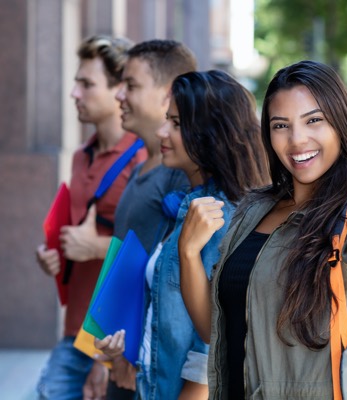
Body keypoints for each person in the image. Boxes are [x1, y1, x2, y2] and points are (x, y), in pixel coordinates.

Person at [178, 60, 347, 399]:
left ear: (340, 125)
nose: (297, 140)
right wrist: (188, 253)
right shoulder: (254, 209)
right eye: (280, 125)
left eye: (313, 120)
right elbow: (214, 328)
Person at [95, 70, 269, 399]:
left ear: (209, 135)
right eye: (167, 120)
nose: (162, 132)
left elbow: (210, 347)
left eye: (176, 124)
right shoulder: (186, 206)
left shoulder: (216, 216)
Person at [35, 35, 146, 400]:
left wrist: (95, 246)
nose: (74, 93)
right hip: (75, 327)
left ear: (119, 90)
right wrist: (57, 252)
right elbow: (79, 231)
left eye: (86, 84)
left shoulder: (144, 157)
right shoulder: (81, 155)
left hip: (114, 337)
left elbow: (153, 248)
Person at [104, 39, 197, 400]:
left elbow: (172, 280)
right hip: (119, 355)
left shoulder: (182, 174)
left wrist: (134, 357)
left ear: (169, 94)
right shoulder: (142, 166)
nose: (120, 96)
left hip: (147, 367)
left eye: (131, 85)